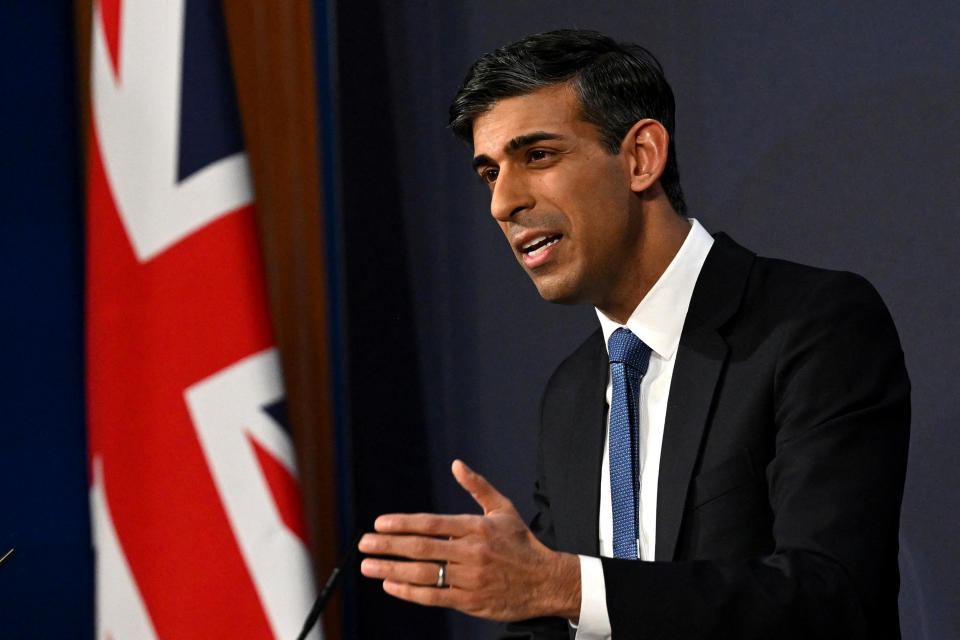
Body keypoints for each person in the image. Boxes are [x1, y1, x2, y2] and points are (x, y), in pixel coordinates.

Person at [358, 29, 910, 639]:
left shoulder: (812, 326)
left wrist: (561, 584)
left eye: (537, 155)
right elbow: (559, 619)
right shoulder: (573, 393)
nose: (502, 202)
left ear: (641, 157)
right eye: (490, 172)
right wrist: (534, 596)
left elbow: (831, 598)